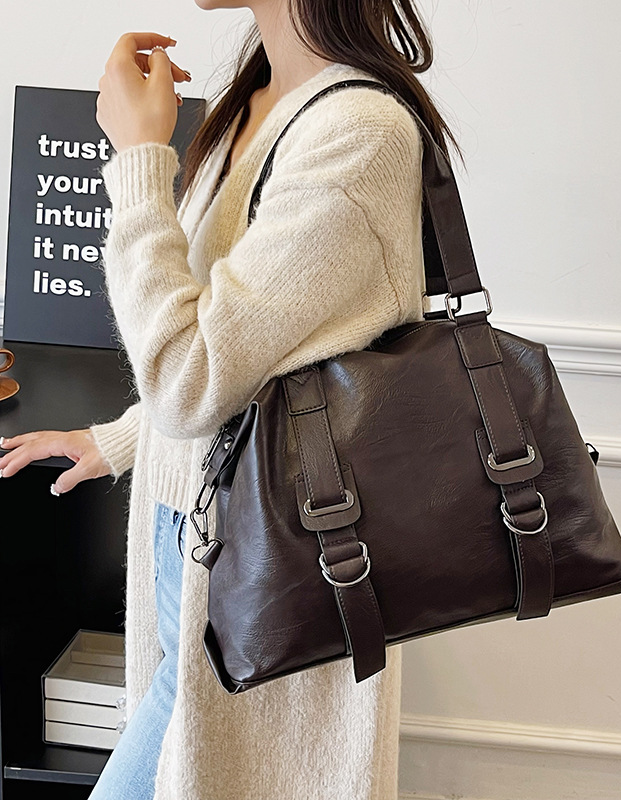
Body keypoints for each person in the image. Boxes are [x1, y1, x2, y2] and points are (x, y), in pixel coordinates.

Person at [0, 1, 463, 798]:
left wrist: (139, 158)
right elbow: (245, 353)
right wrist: (122, 439)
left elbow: (190, 379)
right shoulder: (258, 100)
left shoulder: (357, 132)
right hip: (198, 530)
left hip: (266, 553)